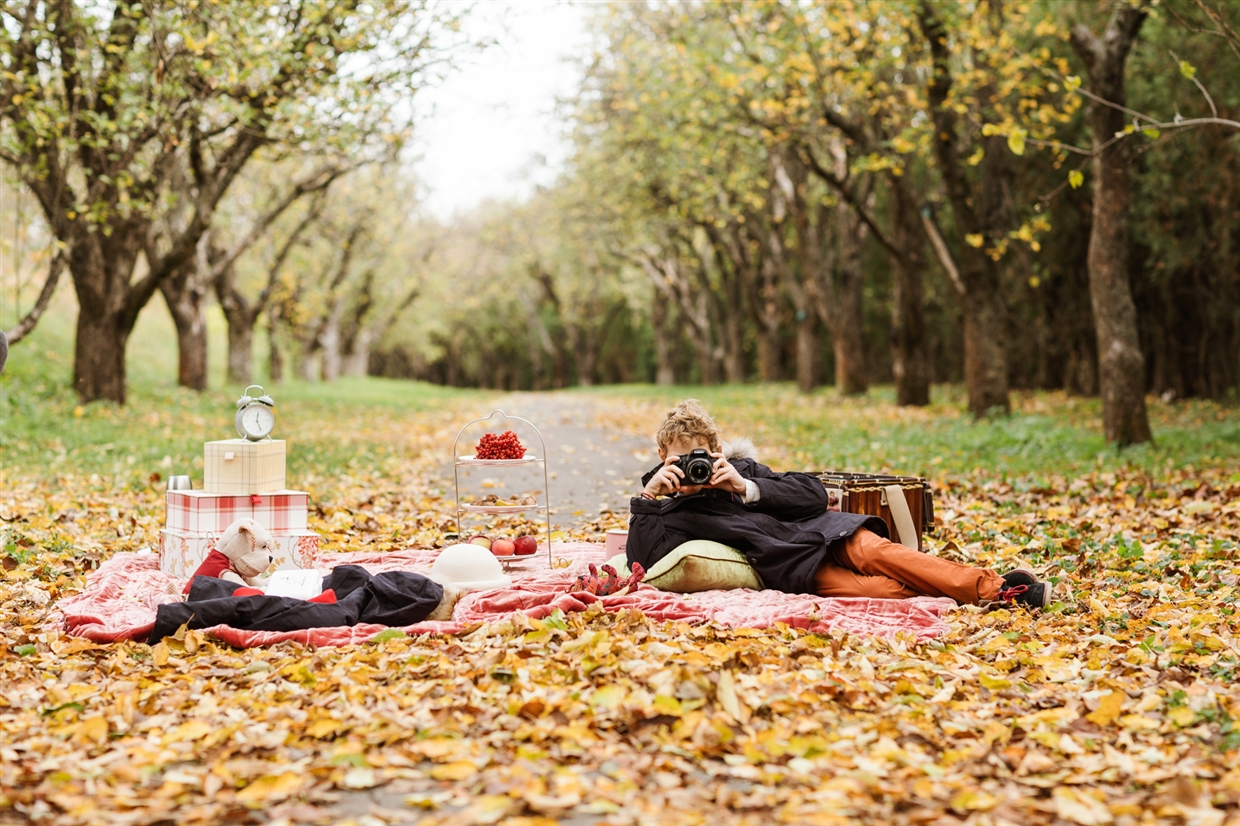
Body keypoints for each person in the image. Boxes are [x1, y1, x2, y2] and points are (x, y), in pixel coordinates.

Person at [626, 399, 1051, 608]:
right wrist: (648, 499)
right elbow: (645, 565)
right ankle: (972, 591)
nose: (692, 466)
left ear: (714, 452)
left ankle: (999, 590)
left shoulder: (742, 472)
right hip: (791, 565)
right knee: (877, 589)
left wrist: (745, 486)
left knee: (881, 553)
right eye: (680, 457)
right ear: (663, 457)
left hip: (825, 532)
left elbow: (813, 492)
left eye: (699, 455)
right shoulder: (666, 510)